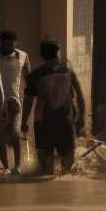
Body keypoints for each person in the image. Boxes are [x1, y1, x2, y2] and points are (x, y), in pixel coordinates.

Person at [21, 38, 86, 176]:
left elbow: (28, 102)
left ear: (42, 55)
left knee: (45, 168)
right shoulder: (68, 72)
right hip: (65, 122)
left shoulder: (34, 75)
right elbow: (80, 96)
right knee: (68, 165)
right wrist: (82, 118)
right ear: (57, 53)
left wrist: (23, 123)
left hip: (43, 124)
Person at [0, 31, 30, 175]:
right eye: (5, 43)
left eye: (11, 43)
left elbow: (28, 79)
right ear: (0, 42)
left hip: (14, 102)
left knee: (15, 134)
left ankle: (17, 166)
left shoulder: (23, 56)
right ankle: (5, 167)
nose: (8, 46)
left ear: (15, 43)